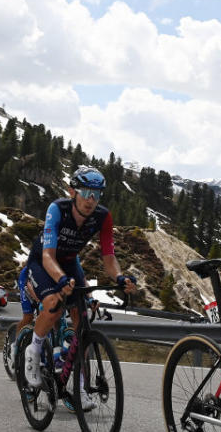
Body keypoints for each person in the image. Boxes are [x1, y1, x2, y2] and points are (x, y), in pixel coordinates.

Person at [22, 166, 137, 411]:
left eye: (97, 194)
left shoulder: (103, 217)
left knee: (81, 322)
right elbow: (48, 256)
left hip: (70, 261)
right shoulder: (58, 209)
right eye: (85, 192)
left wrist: (119, 277)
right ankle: (33, 350)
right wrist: (61, 280)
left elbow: (108, 257)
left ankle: (79, 385)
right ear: (72, 191)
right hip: (44, 260)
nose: (91, 200)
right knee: (53, 305)